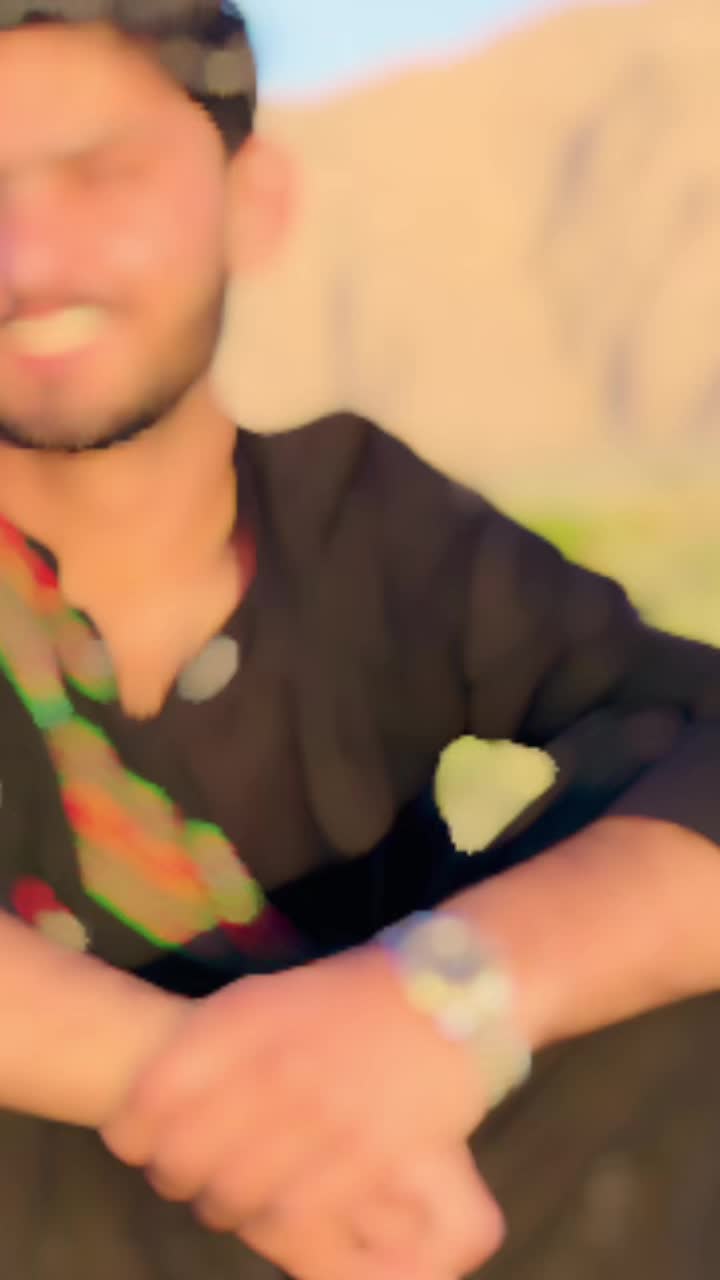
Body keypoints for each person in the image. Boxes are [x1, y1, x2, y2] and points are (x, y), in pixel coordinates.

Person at [1, 8, 720, 1280]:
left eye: (102, 174)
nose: (24, 255)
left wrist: (445, 998)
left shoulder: (367, 521)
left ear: (253, 205)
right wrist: (270, 1105)